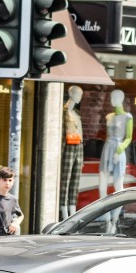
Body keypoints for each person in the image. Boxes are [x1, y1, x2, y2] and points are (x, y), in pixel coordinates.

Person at [100, 89, 133, 199]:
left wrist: (119, 151)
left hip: (118, 149)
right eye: (111, 97)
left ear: (121, 99)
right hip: (107, 148)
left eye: (115, 97)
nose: (112, 100)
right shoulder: (109, 116)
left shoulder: (128, 117)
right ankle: (106, 215)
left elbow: (128, 138)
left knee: (118, 185)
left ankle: (115, 216)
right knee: (102, 185)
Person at [60, 86, 84, 219]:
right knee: (65, 180)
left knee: (75, 181)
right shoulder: (63, 112)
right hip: (68, 147)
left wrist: (83, 158)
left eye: (81, 94)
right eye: (77, 93)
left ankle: (72, 212)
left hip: (78, 147)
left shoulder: (76, 113)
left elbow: (81, 135)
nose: (79, 96)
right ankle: (64, 213)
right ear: (70, 93)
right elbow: (62, 134)